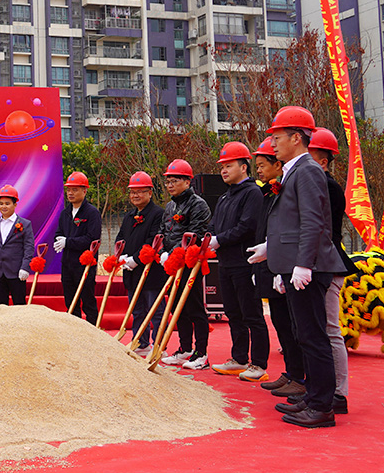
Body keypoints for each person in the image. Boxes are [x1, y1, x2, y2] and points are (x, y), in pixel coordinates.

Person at [248, 106, 343, 428]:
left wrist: (303, 264)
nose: (272, 144)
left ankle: (322, 406)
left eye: (277, 137)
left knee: (313, 336)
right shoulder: (295, 170)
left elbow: (314, 222)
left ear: (296, 138)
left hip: (309, 268)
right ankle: (313, 395)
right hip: (293, 265)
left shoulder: (308, 171)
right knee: (304, 334)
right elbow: (290, 222)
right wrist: (271, 250)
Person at [209, 142, 269, 381]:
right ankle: (239, 358)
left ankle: (259, 363)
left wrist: (219, 240)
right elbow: (214, 224)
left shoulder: (253, 193)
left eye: (229, 166)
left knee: (251, 314)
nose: (224, 171)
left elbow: (248, 226)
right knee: (233, 313)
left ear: (244, 167)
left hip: (245, 262)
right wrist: (209, 237)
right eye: (222, 167)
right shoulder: (225, 196)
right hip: (226, 263)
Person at [308, 127, 355, 411]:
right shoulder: (312, 183)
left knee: (329, 329)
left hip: (328, 263)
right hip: (315, 263)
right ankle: (318, 387)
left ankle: (338, 392)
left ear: (323, 161)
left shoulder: (328, 187)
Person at [254, 140, 304, 398]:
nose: (259, 171)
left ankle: (300, 377)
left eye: (263, 165)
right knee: (280, 322)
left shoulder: (288, 188)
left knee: (293, 324)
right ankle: (291, 372)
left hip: (286, 265)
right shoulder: (267, 193)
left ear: (278, 165)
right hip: (270, 264)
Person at [157, 159, 212, 369]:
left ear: (188, 182)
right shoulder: (170, 206)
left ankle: (201, 353)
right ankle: (185, 348)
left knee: (194, 307)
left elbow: (195, 234)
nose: (170, 185)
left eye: (175, 181)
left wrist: (173, 254)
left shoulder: (198, 204)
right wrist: (162, 253)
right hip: (171, 264)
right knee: (176, 307)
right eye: (168, 181)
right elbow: (162, 232)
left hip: (190, 264)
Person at [115, 171, 166, 352]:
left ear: (150, 193)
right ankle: (140, 342)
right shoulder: (129, 216)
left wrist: (136, 259)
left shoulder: (158, 214)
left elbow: (153, 240)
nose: (135, 195)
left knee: (155, 311)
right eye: (132, 192)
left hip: (151, 271)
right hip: (131, 271)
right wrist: (121, 255)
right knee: (137, 311)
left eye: (140, 191)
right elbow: (121, 237)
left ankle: (159, 346)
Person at [54, 171, 101, 324]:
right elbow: (59, 233)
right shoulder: (65, 213)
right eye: (68, 189)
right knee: (70, 302)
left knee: (88, 301)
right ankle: (75, 332)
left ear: (84, 191)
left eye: (75, 189)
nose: (70, 193)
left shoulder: (92, 213)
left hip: (84, 265)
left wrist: (68, 242)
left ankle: (93, 331)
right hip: (67, 264)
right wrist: (58, 241)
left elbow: (92, 239)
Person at [0, 185, 35, 305]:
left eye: (7, 204)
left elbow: (28, 247)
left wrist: (25, 267)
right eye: (1, 203)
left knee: (19, 305)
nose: (4, 206)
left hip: (17, 272)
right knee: (0, 306)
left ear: (15, 204)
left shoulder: (25, 224)